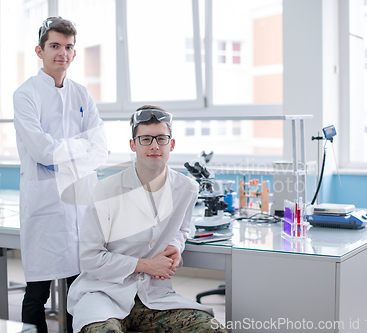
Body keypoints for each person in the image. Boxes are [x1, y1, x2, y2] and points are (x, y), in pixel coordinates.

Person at [67, 106, 226, 333]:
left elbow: (182, 229)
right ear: (133, 145)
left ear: (171, 144)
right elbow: (90, 258)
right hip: (104, 294)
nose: (154, 145)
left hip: (154, 296)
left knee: (212, 329)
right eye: (145, 139)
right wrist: (146, 265)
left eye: (161, 138)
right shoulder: (107, 190)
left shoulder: (187, 188)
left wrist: (176, 246)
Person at [13, 16, 108, 333]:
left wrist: (69, 150)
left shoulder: (82, 95)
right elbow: (42, 151)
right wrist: (80, 146)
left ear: (74, 53)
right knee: (36, 293)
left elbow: (101, 149)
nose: (62, 53)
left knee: (78, 292)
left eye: (68, 47)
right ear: (40, 51)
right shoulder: (26, 95)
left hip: (80, 206)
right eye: (54, 46)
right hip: (45, 207)